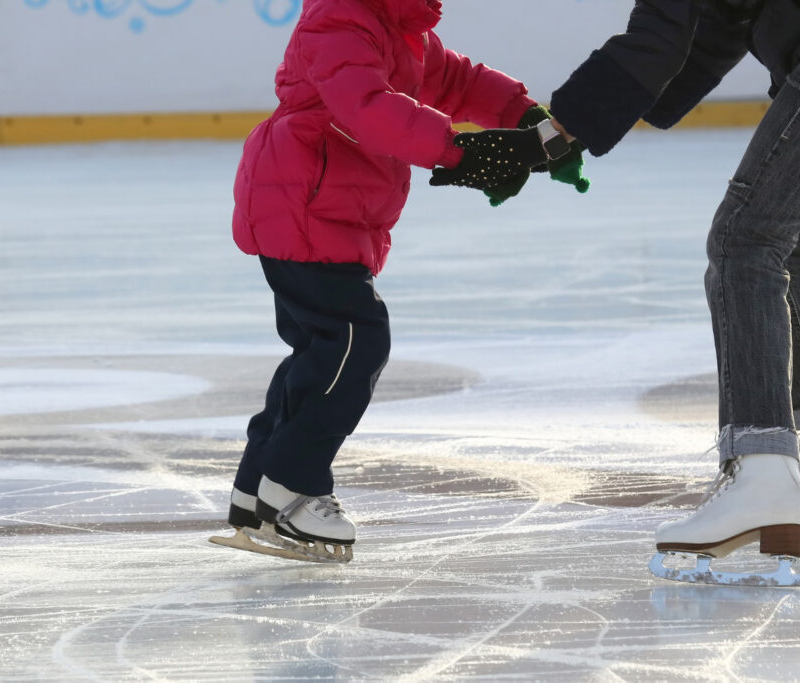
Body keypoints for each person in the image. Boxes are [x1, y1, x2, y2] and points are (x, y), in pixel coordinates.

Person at [430, 0, 800, 583]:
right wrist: (591, 120)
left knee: (745, 240)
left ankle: (761, 469)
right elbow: (719, 17)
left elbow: (664, 31)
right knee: (785, 234)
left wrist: (554, 132)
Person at [212, 0, 586, 562]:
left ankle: (256, 487)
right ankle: (292, 485)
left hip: (320, 209)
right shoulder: (340, 18)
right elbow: (368, 106)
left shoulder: (399, 29)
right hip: (305, 206)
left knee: (320, 350)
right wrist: (456, 152)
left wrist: (525, 115)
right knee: (355, 343)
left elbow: (458, 81)